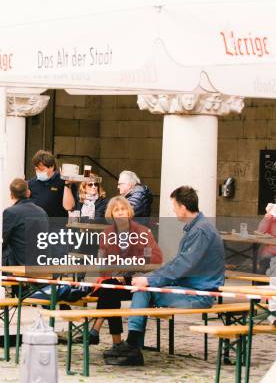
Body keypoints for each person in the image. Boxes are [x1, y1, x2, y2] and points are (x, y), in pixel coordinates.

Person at [105, 186, 224, 366]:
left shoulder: (200, 230)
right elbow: (180, 264)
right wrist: (150, 279)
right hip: (190, 287)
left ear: (183, 207)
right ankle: (132, 346)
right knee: (142, 290)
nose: (173, 210)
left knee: (142, 290)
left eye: (174, 206)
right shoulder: (198, 227)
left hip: (198, 293)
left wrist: (149, 279)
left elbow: (182, 265)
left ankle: (132, 346)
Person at [72, 197, 162, 348]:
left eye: (123, 209)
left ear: (129, 211)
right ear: (111, 214)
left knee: (108, 289)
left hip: (137, 281)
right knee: (109, 288)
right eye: (116, 210)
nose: (120, 213)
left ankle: (99, 333)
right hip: (115, 281)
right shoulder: (106, 235)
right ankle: (115, 342)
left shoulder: (143, 232)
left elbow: (154, 257)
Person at [28, 150, 75, 218]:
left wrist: (67, 185)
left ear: (51, 167)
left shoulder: (63, 181)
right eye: (36, 169)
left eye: (42, 169)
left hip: (57, 224)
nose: (38, 172)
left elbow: (69, 207)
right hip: (37, 224)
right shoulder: (31, 183)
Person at [257, 202, 276, 274]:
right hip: (270, 251)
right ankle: (258, 283)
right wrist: (267, 217)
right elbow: (260, 232)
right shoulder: (272, 219)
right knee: (262, 269)